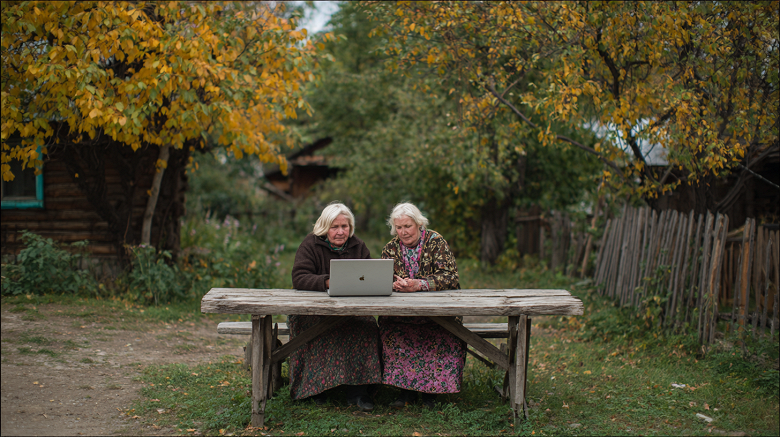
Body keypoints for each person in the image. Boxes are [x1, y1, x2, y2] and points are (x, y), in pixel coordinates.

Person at [289, 202, 381, 411]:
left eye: (345, 226)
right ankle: (316, 390)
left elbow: (369, 275)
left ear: (350, 227)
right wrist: (328, 282)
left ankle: (358, 391)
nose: (340, 232)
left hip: (351, 310)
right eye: (334, 227)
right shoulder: (310, 245)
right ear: (325, 227)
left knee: (366, 328)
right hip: (313, 311)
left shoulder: (358, 246)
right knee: (314, 330)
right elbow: (299, 278)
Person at [378, 202, 466, 409]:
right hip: (402, 314)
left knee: (442, 333)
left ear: (418, 224)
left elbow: (450, 277)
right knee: (393, 331)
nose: (403, 232)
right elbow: (382, 279)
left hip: (437, 313)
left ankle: (431, 394)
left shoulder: (436, 242)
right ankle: (405, 391)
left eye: (407, 226)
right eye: (399, 228)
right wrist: (394, 284)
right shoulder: (390, 249)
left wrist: (420, 284)